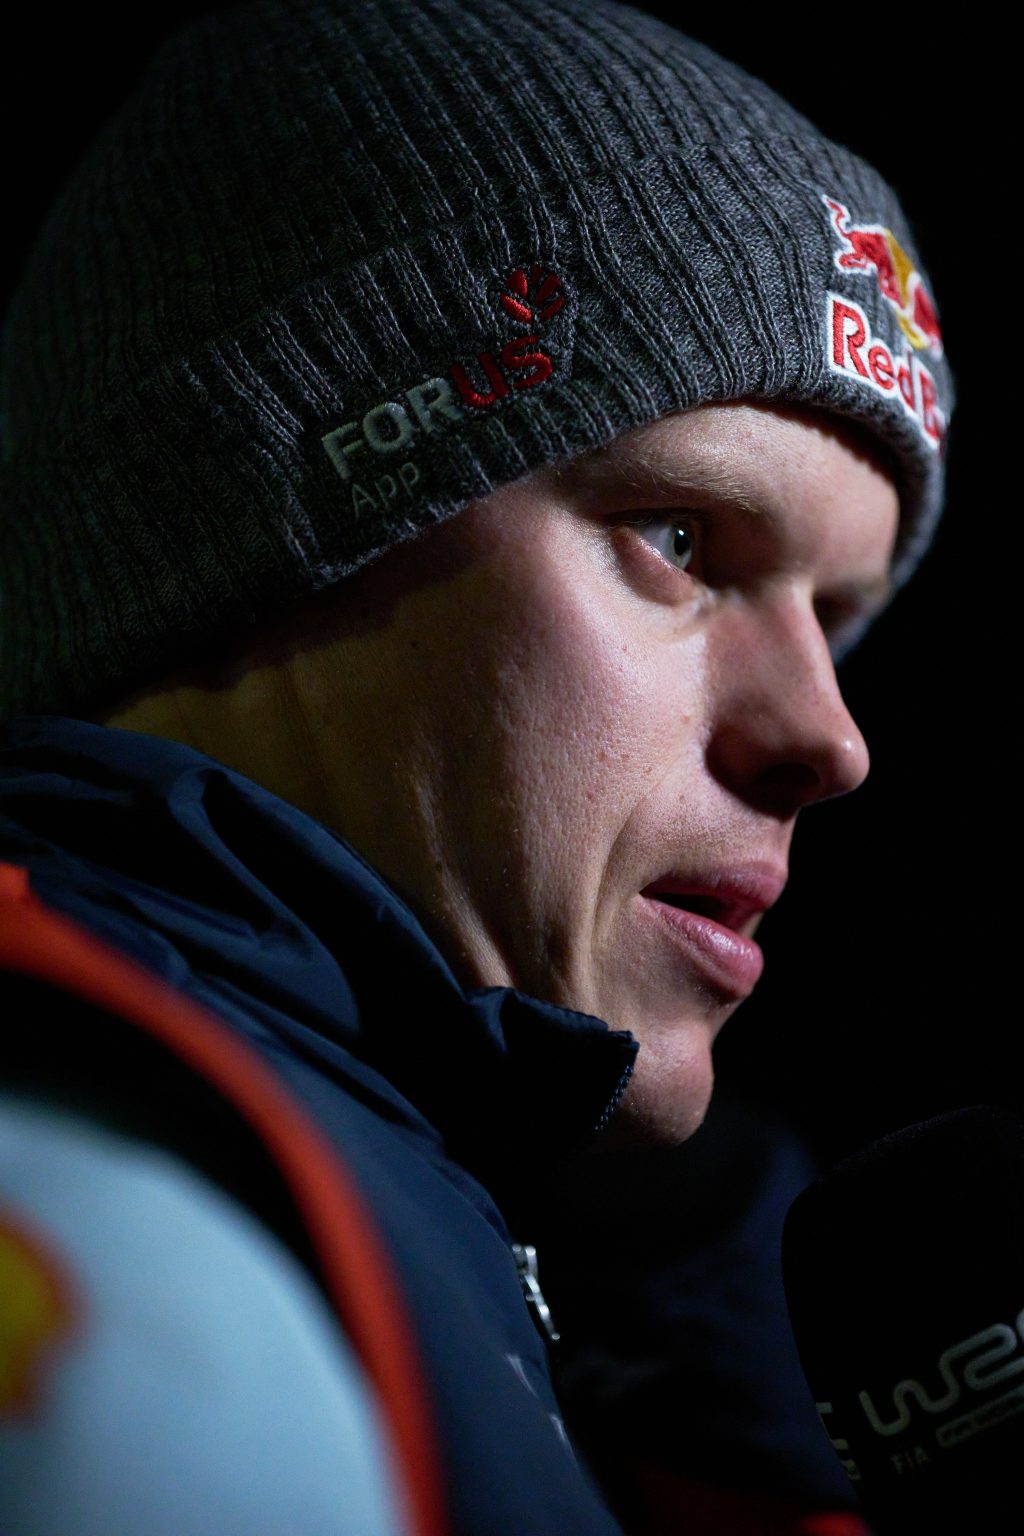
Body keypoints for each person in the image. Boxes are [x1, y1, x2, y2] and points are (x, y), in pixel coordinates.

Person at [0, 1, 955, 1532]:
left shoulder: (621, 1287)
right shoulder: (111, 1247)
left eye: (835, 615)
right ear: (267, 534)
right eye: (680, 538)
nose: (829, 738)